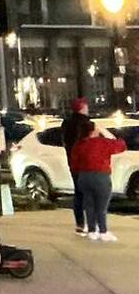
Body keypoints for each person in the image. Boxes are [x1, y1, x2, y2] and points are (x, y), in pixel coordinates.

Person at [70, 117, 123, 243]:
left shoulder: (79, 145)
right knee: (101, 206)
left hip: (84, 177)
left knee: (89, 204)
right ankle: (103, 231)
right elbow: (121, 145)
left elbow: (74, 163)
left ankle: (92, 230)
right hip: (101, 176)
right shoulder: (102, 143)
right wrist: (105, 131)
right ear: (93, 131)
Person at [59, 98, 95, 235]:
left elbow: (66, 142)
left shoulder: (66, 124)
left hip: (73, 163)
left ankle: (80, 223)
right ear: (82, 108)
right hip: (87, 163)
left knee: (79, 193)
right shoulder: (87, 124)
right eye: (86, 106)